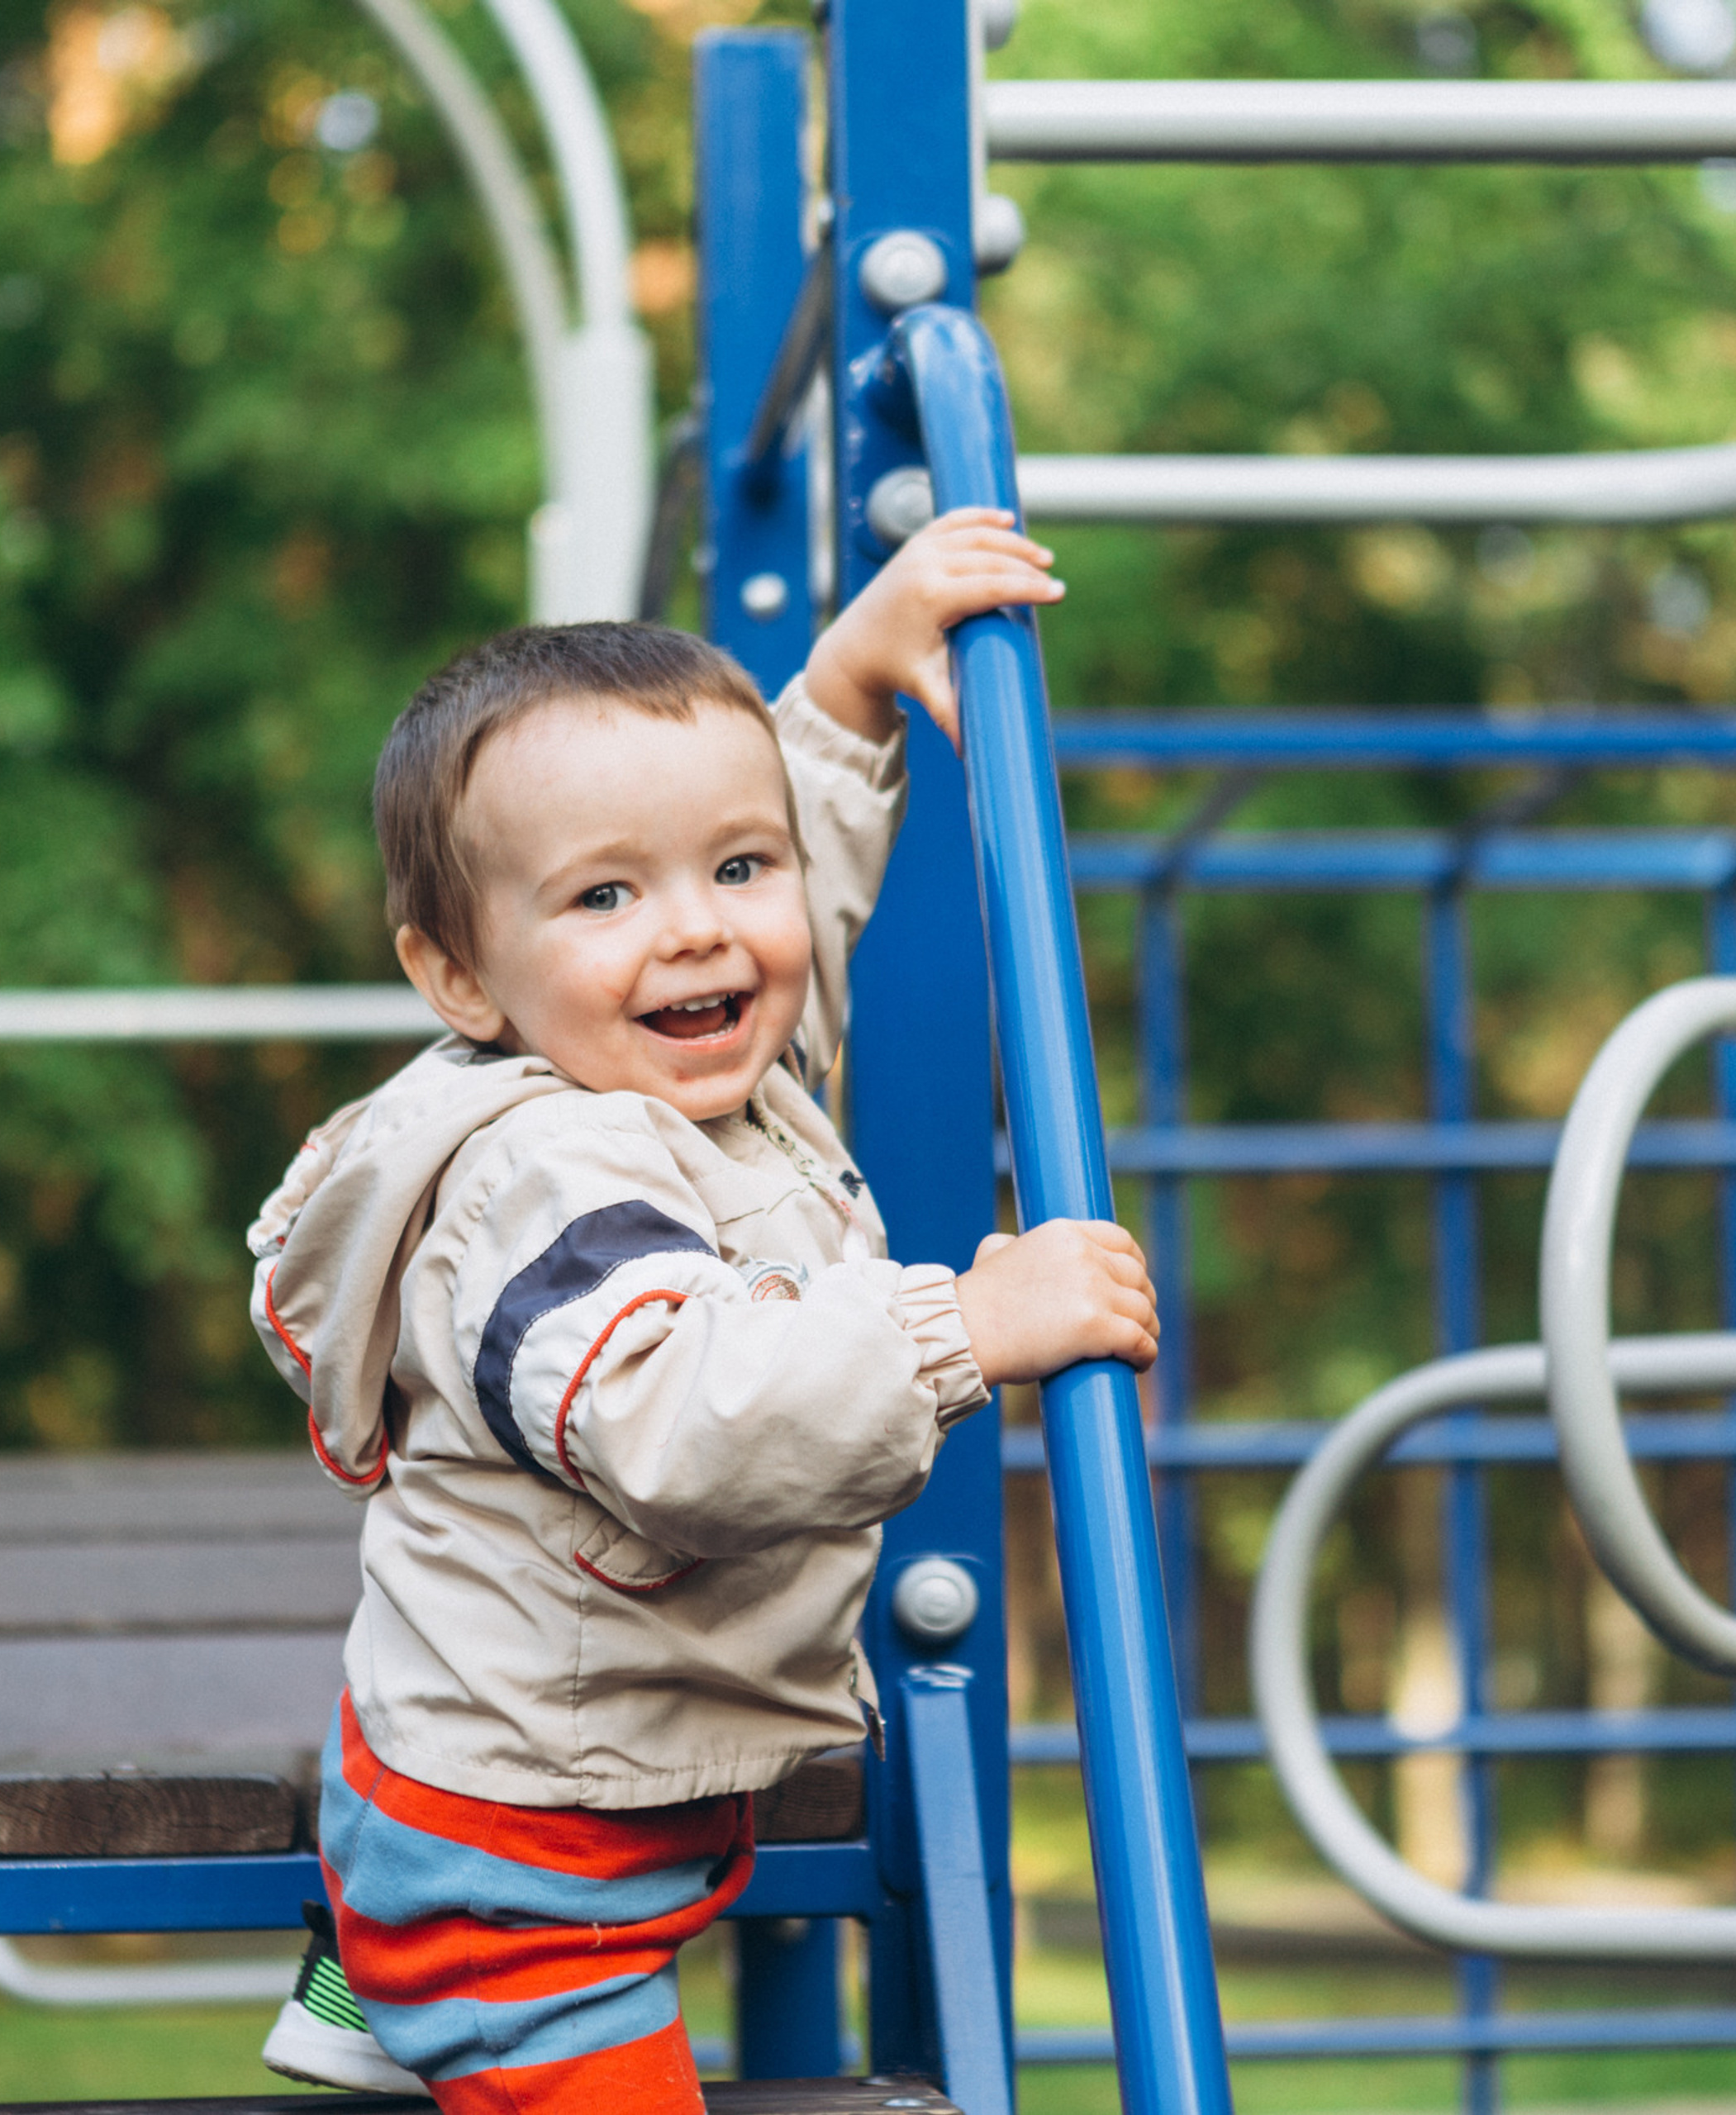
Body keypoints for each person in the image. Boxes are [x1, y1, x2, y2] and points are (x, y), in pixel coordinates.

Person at [247, 508, 1157, 2114]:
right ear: (461, 976)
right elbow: (688, 1425)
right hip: (523, 1878)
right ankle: (397, 1962)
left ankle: (361, 1970)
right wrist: (967, 1324)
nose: (694, 925)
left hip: (569, 1765)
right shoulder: (549, 1178)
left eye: (735, 872)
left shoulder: (707, 1075)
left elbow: (790, 832)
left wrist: (847, 679)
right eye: (603, 895)